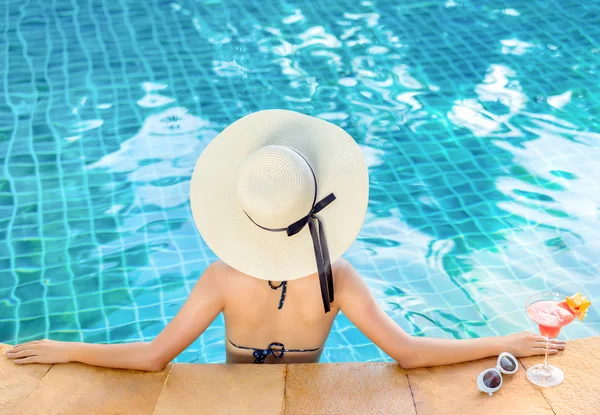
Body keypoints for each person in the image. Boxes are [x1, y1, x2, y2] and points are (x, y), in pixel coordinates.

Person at [5, 110, 565, 371]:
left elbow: (154, 358)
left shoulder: (223, 278)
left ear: (243, 214)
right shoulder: (336, 278)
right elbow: (412, 355)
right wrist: (501, 342)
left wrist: (66, 349)